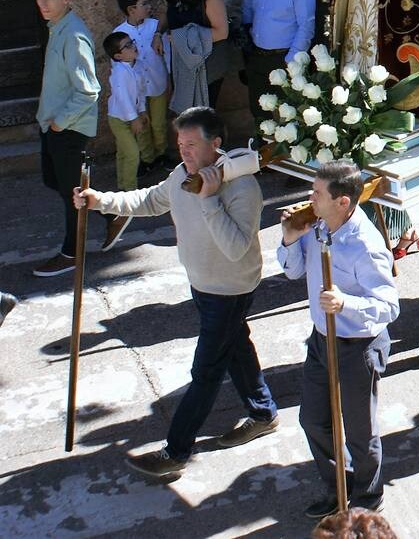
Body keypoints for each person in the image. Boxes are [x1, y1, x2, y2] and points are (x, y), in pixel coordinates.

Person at [73, 107, 279, 477]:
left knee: (206, 371)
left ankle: (176, 452)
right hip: (201, 283)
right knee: (236, 348)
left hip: (229, 289)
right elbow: (152, 200)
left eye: (192, 145)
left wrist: (209, 198)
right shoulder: (182, 174)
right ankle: (263, 413)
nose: (183, 152)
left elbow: (234, 248)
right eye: (180, 144)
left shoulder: (243, 188)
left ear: (215, 145)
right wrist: (99, 200)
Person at [278, 160, 399, 519]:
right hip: (321, 339)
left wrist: (346, 303)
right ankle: (339, 484)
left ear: (343, 202)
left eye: (316, 194)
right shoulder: (315, 226)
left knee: (361, 431)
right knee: (313, 420)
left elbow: (388, 305)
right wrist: (288, 239)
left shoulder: (365, 244)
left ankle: (367, 493)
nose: (309, 199)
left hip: (358, 345)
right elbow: (294, 270)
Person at [33, 0, 102, 278]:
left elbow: (89, 89)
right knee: (57, 183)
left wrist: (60, 123)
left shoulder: (73, 35)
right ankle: (112, 212)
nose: (44, 5)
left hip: (68, 128)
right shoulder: (57, 27)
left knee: (70, 193)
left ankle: (71, 253)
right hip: (53, 124)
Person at [242, 0, 317, 124]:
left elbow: (306, 25)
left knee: (285, 116)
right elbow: (249, 4)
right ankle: (260, 153)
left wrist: (291, 61)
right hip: (257, 56)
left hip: (283, 58)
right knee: (259, 111)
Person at [160, 0, 232, 109]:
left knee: (202, 116)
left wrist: (181, 37)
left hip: (208, 65)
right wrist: (158, 33)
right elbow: (169, 13)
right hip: (183, 63)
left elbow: (222, 32)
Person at [114, 0, 171, 168]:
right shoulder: (119, 34)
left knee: (159, 123)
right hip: (137, 89)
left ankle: (162, 153)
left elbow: (167, 53)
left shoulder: (155, 27)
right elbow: (117, 66)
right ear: (131, 9)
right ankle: (147, 159)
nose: (149, 7)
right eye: (144, 4)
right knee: (142, 126)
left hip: (157, 84)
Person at [103, 31, 150, 192]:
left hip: (131, 117)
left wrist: (142, 111)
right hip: (118, 119)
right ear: (118, 56)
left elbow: (140, 92)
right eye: (127, 46)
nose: (133, 47)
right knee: (132, 154)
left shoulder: (136, 67)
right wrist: (134, 118)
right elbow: (122, 97)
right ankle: (130, 190)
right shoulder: (119, 73)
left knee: (123, 152)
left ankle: (123, 185)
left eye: (132, 42)